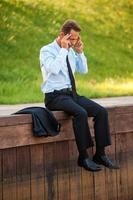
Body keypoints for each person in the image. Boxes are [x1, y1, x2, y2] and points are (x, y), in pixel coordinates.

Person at [39, 19, 119, 171]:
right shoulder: (47, 50)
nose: (74, 42)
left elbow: (83, 70)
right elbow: (53, 69)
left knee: (101, 112)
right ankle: (83, 157)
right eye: (72, 39)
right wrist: (63, 50)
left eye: (76, 39)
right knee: (80, 113)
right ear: (62, 35)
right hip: (54, 96)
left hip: (71, 94)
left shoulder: (70, 50)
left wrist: (80, 52)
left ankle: (100, 154)